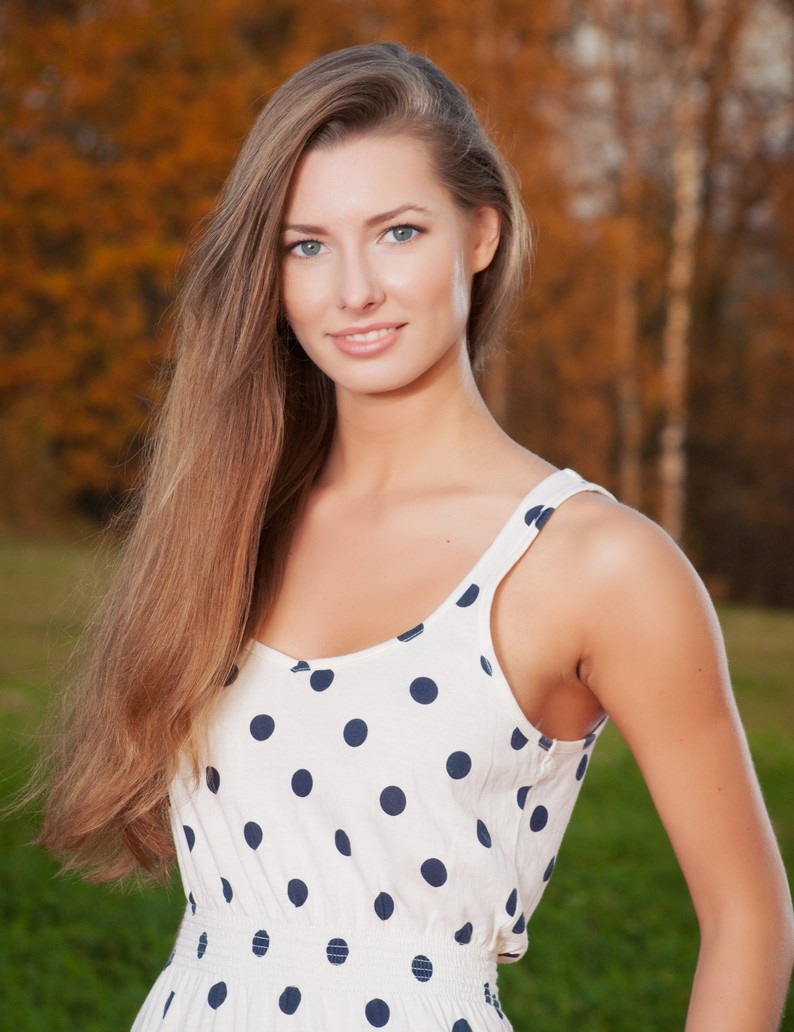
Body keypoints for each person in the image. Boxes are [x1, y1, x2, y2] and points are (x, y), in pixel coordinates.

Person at [37, 42, 791, 1031]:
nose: (353, 290)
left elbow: (747, 916)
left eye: (396, 232)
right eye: (306, 246)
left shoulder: (595, 563)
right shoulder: (229, 521)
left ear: (479, 233)